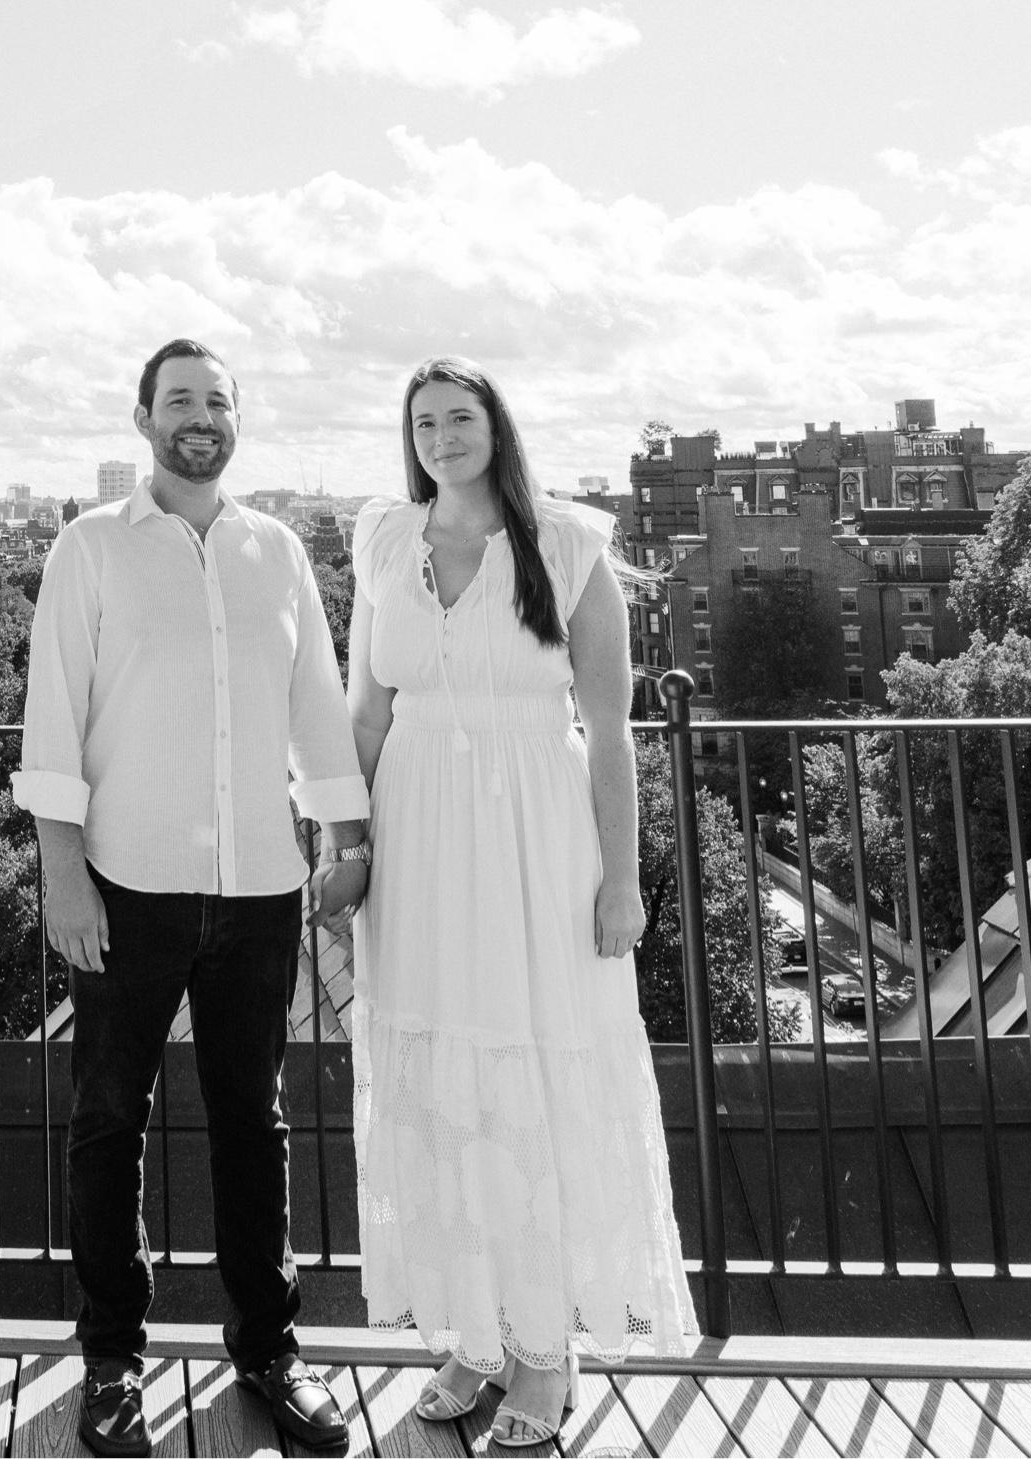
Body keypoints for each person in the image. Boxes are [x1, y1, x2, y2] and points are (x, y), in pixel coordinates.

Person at [14, 339, 371, 1457]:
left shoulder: (278, 550)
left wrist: (346, 836)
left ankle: (269, 1350)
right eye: (179, 400)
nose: (199, 417)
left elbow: (317, 708)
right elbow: (53, 716)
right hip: (127, 883)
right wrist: (63, 872)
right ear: (144, 420)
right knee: (108, 1121)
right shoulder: (90, 546)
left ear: (237, 420)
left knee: (252, 1124)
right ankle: (112, 1358)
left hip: (260, 882)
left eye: (217, 400)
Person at [343, 358, 696, 1446]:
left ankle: (547, 1350)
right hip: (417, 838)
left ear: (496, 426)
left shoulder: (569, 543)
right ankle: (476, 1333)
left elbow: (611, 732)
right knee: (444, 1076)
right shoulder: (382, 540)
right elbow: (365, 714)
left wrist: (622, 880)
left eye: (460, 417)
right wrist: (349, 846)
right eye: (423, 422)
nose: (441, 436)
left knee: (536, 1068)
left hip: (535, 839)